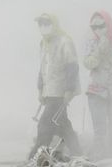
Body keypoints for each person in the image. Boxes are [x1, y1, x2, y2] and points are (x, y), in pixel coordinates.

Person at [28, 13, 82, 159]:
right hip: (48, 91)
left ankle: (35, 157)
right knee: (63, 126)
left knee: (44, 125)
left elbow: (72, 67)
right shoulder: (43, 43)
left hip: (60, 91)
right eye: (41, 24)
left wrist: (69, 90)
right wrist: (40, 90)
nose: (44, 27)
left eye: (47, 23)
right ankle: (78, 154)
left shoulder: (65, 41)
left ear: (54, 24)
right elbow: (42, 69)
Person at [83, 11, 112, 160]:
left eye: (101, 26)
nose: (98, 30)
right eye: (94, 27)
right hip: (96, 92)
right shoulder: (90, 43)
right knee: (100, 131)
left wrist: (109, 50)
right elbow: (88, 63)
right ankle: (98, 161)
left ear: (109, 25)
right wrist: (99, 50)